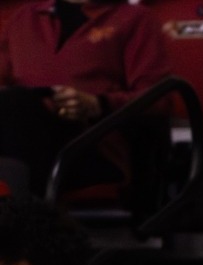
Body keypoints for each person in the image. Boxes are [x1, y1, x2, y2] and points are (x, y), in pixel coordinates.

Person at [0, 0, 171, 200]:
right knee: (14, 104)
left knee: (16, 105)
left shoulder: (135, 19)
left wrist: (97, 104)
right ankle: (17, 216)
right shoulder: (23, 18)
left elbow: (159, 99)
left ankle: (15, 217)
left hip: (91, 145)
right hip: (21, 134)